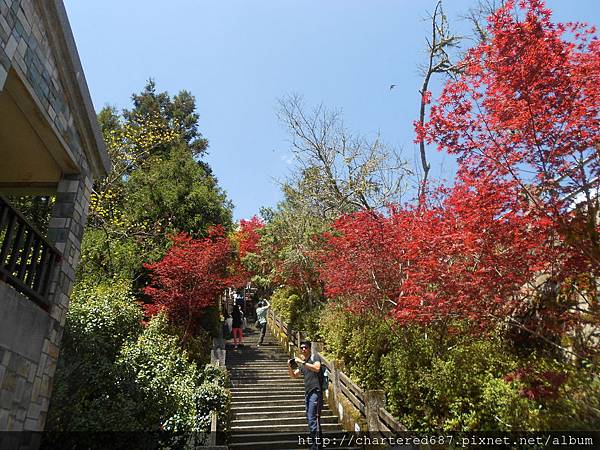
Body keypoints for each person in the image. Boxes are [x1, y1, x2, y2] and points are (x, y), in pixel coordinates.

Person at [288, 340, 322, 450]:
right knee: (310, 418)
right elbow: (294, 376)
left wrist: (302, 362)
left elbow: (317, 368)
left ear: (309, 348)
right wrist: (290, 366)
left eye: (305, 347)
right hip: (308, 393)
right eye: (301, 347)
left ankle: (315, 446)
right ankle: (317, 444)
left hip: (315, 392)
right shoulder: (304, 363)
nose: (303, 349)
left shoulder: (314, 357)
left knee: (313, 418)